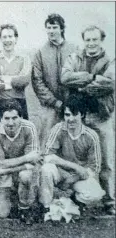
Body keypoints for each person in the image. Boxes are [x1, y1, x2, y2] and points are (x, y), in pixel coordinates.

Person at [61, 25, 115, 215]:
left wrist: (82, 88)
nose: (91, 43)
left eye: (95, 39)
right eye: (88, 40)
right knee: (76, 155)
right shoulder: (75, 57)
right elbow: (65, 77)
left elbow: (110, 83)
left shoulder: (110, 59)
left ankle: (110, 201)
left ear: (101, 40)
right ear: (83, 40)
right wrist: (92, 77)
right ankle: (77, 197)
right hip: (79, 115)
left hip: (101, 115)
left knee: (107, 158)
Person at [39, 96, 105, 218]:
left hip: (78, 177)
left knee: (96, 194)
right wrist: (73, 166)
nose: (70, 119)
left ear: (82, 115)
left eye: (74, 114)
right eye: (67, 115)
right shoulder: (58, 128)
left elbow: (94, 168)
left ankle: (75, 200)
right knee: (46, 169)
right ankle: (46, 207)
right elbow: (47, 156)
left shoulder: (91, 135)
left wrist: (73, 178)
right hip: (61, 172)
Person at [0, 99, 40, 225]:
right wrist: (26, 158)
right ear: (0, 119)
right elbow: (0, 163)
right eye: (6, 118)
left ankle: (24, 207)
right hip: (6, 173)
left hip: (21, 170)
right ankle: (5, 194)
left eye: (14, 118)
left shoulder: (29, 127)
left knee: (26, 175)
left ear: (21, 118)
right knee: (2, 214)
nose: (11, 122)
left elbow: (32, 162)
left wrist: (9, 167)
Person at [31, 13, 78, 148]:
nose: (51, 31)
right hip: (50, 106)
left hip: (72, 103)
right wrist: (55, 102)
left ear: (62, 29)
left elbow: (79, 76)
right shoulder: (40, 52)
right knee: (47, 141)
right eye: (48, 27)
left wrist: (73, 100)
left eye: (54, 27)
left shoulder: (74, 49)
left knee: (72, 139)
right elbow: (37, 81)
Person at [0, 24, 31, 123]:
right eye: (4, 37)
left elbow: (23, 81)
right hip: (0, 102)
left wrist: (2, 78)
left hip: (19, 101)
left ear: (16, 38)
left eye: (10, 36)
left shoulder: (24, 58)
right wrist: (13, 80)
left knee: (20, 135)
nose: (7, 40)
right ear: (0, 39)